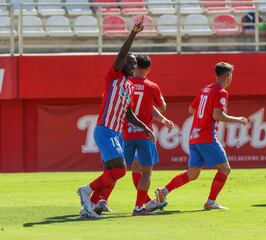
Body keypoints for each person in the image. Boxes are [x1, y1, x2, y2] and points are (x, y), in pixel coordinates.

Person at [76, 17, 156, 218]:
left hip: (116, 132)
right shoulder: (113, 77)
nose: (133, 64)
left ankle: (90, 207)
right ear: (122, 64)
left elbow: (129, 114)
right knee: (120, 170)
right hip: (105, 130)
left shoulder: (128, 86)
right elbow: (121, 54)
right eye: (130, 62)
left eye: (135, 63)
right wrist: (133, 33)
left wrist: (144, 127)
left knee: (111, 174)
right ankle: (86, 190)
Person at [154, 62, 249, 210]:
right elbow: (217, 115)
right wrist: (238, 120)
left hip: (194, 135)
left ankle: (163, 191)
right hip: (206, 136)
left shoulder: (205, 89)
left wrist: (205, 112)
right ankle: (211, 202)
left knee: (193, 174)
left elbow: (191, 109)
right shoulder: (221, 92)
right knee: (225, 168)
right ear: (228, 76)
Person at [123, 54, 174, 216]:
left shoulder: (126, 83)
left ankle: (99, 199)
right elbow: (162, 106)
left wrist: (162, 119)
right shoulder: (151, 86)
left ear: (134, 66)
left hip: (125, 133)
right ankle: (139, 206)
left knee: (120, 169)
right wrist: (162, 114)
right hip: (144, 134)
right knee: (146, 171)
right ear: (148, 69)